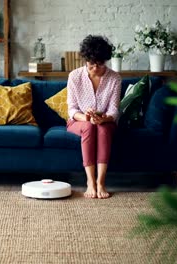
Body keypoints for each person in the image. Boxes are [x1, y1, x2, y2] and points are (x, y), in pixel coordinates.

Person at [67, 35, 122, 199]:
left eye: (100, 64)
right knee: (90, 127)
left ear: (105, 60)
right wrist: (86, 118)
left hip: (105, 122)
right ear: (86, 60)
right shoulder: (74, 76)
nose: (95, 68)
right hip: (79, 121)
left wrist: (104, 118)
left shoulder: (115, 78)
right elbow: (72, 109)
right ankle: (90, 182)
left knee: (103, 129)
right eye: (91, 64)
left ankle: (101, 182)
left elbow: (113, 110)